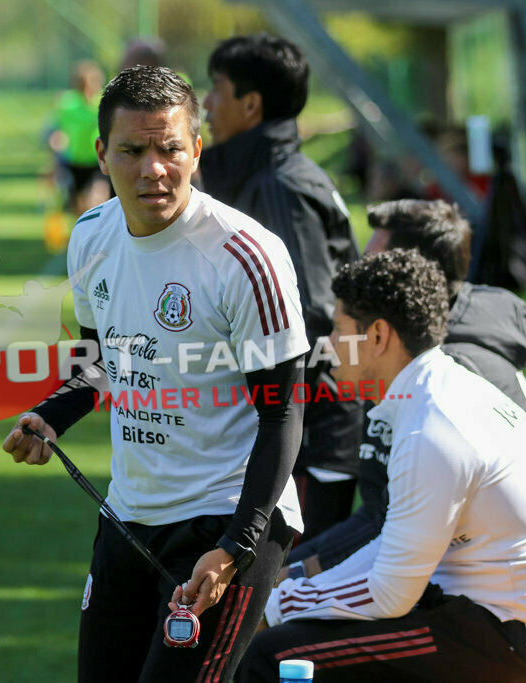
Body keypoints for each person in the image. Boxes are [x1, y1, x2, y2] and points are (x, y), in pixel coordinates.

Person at [2, 66, 310, 682]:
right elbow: (97, 363)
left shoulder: (246, 257)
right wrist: (52, 416)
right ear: (101, 154)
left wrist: (235, 548)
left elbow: (283, 411)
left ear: (196, 149)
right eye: (133, 150)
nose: (154, 168)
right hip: (128, 515)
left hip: (229, 519)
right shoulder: (90, 238)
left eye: (170, 148)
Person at [239, 249, 526, 681]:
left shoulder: (433, 426)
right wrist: (282, 595)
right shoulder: (431, 393)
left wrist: (277, 604)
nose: (328, 346)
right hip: (479, 614)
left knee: (274, 655)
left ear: (378, 336)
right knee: (289, 634)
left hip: (509, 637)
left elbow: (390, 592)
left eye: (340, 330)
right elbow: (393, 552)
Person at [280, 199, 526, 581]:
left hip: (484, 589)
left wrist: (292, 576)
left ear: (412, 275)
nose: (361, 272)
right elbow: (380, 513)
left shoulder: (440, 375)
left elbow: (390, 530)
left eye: (374, 261)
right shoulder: (424, 354)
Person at [199, 34, 363, 543]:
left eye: (216, 90)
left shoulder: (278, 188)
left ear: (251, 105)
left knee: (282, 601)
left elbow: (307, 319)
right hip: (298, 434)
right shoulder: (271, 174)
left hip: (310, 441)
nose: (205, 104)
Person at [48, 60, 111, 219]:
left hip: (97, 159)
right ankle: (83, 235)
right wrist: (54, 156)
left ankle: (99, 234)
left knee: (97, 199)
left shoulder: (102, 102)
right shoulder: (67, 104)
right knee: (78, 205)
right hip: (75, 160)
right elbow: (59, 131)